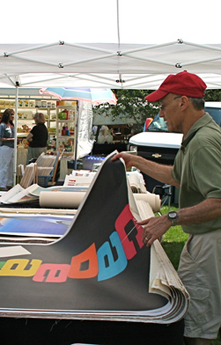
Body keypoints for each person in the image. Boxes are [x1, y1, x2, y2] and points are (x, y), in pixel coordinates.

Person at [112, 71, 221, 345]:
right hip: (206, 240)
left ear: (183, 102)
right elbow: (178, 177)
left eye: (163, 105)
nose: (160, 113)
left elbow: (219, 201)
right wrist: (135, 161)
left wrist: (170, 218)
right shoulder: (197, 136)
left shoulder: (203, 142)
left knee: (197, 329)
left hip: (212, 242)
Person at [0, 108, 15, 191]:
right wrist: (11, 139)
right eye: (11, 114)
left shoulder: (13, 125)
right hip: (5, 147)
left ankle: (9, 183)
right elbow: (0, 138)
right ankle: (3, 184)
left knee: (11, 166)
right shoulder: (2, 125)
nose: (13, 116)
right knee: (4, 166)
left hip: (12, 148)